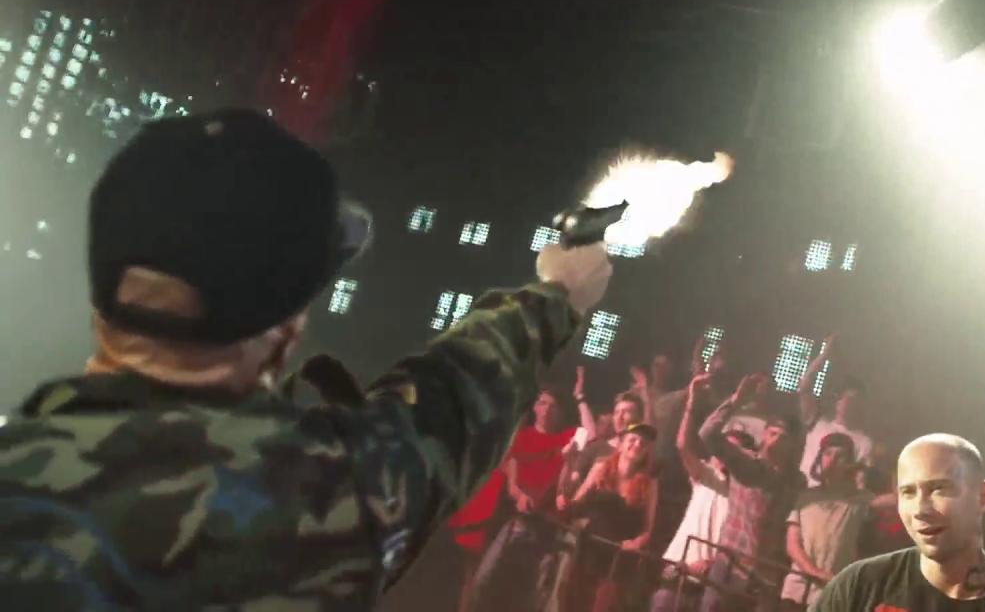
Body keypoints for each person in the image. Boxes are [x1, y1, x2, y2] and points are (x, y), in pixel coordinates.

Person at [0, 109, 613, 609]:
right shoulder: (324, 499)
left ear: (102, 298)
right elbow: (454, 400)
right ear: (285, 330)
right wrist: (557, 294)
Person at [814, 434, 985, 612]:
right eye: (908, 492)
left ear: (984, 497)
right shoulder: (859, 585)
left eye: (939, 489)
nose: (921, 509)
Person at [697, 374, 805, 612]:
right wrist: (735, 401)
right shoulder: (747, 463)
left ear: (793, 445)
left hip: (766, 571)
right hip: (729, 562)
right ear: (764, 434)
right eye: (772, 433)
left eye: (783, 437)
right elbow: (706, 434)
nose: (776, 441)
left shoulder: (796, 481)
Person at [649, 373, 755, 612]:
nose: (723, 455)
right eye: (721, 449)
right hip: (680, 566)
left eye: (731, 451)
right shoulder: (706, 474)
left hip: (716, 580)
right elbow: (682, 445)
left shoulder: (748, 491)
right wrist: (691, 402)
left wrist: (714, 562)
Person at [468, 389, 580, 611]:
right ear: (535, 407)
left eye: (553, 406)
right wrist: (520, 496)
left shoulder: (566, 440)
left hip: (547, 528)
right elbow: (512, 483)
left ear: (560, 412)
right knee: (485, 579)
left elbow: (564, 489)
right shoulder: (521, 437)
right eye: (542, 403)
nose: (547, 410)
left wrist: (569, 461)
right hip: (518, 521)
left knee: (531, 595)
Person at [562, 422, 660, 612]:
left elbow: (648, 529)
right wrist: (569, 463)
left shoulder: (650, 483)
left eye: (643, 443)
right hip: (588, 550)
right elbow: (574, 505)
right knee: (572, 603)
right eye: (633, 439)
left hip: (618, 561)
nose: (637, 444)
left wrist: (636, 543)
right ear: (621, 443)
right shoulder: (601, 467)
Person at [779, 433, 876, 610]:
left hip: (832, 596)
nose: (832, 460)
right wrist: (816, 572)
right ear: (820, 458)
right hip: (796, 590)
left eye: (840, 456)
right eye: (827, 453)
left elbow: (898, 498)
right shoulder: (806, 497)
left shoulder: (859, 500)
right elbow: (792, 545)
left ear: (849, 464)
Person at [797, 335, 873, 487]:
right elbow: (804, 386)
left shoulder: (864, 442)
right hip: (802, 493)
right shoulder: (817, 423)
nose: (849, 403)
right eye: (846, 398)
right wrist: (824, 355)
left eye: (855, 401)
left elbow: (860, 482)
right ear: (838, 401)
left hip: (833, 499)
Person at [557, 390, 646, 510]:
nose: (619, 417)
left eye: (626, 412)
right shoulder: (595, 448)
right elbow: (569, 489)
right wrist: (568, 462)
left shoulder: (643, 455)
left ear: (639, 419)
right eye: (616, 412)